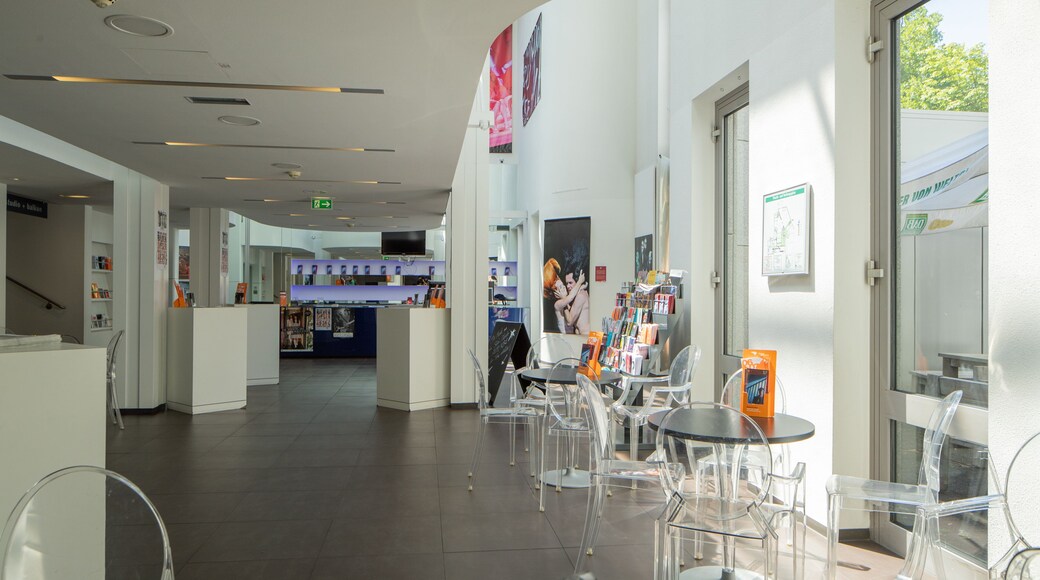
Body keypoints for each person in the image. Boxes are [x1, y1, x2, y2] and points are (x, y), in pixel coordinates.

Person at [556, 270, 590, 334]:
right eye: (566, 283)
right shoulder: (578, 296)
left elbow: (569, 322)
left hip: (585, 335)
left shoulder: (580, 296)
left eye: (570, 283)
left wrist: (564, 299)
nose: (567, 286)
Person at [542, 258, 569, 333]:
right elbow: (569, 321)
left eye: (557, 277)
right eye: (555, 281)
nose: (560, 282)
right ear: (555, 294)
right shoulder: (558, 305)